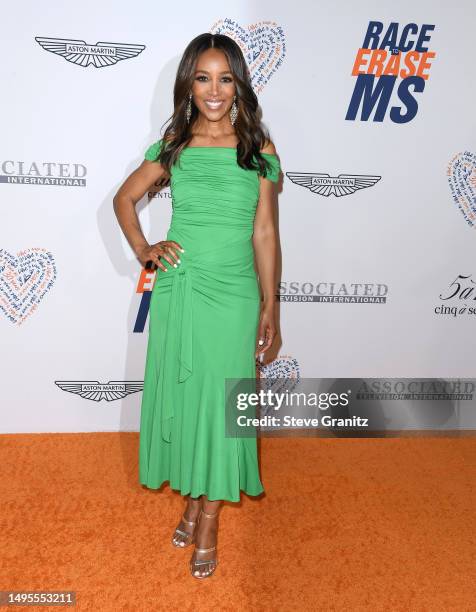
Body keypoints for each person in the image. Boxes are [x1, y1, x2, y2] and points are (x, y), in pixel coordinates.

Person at [113, 32, 281, 579]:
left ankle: (209, 518)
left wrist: (271, 304)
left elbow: (264, 232)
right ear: (190, 83)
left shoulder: (259, 150)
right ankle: (193, 498)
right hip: (181, 287)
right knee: (189, 400)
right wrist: (144, 249)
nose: (214, 91)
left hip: (234, 293)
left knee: (225, 405)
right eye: (204, 78)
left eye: (225, 78)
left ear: (239, 84)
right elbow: (124, 197)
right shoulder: (176, 145)